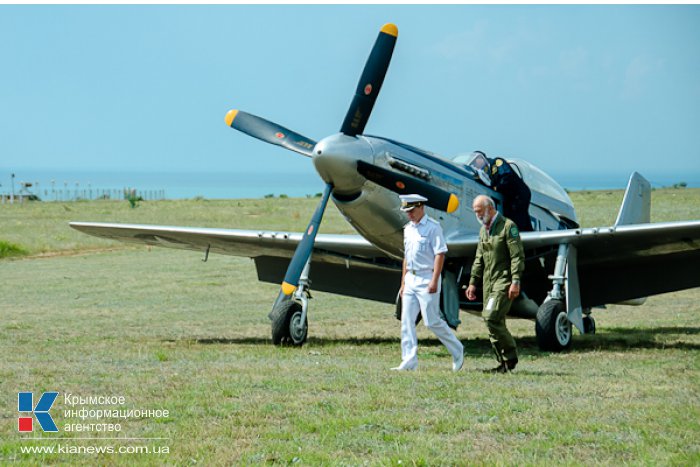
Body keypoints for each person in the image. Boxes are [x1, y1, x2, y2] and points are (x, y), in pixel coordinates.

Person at [392, 194, 464, 372]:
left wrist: (434, 280)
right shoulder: (408, 229)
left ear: (421, 207)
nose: (409, 214)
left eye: (411, 210)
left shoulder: (433, 227)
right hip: (411, 278)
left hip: (427, 277)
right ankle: (408, 360)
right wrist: (403, 283)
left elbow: (440, 254)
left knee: (431, 321)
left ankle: (457, 350)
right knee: (407, 321)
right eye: (406, 211)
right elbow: (406, 258)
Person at [465, 195, 525, 373]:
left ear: (490, 209)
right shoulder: (483, 231)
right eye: (475, 211)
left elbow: (517, 256)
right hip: (488, 283)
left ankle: (511, 356)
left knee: (491, 317)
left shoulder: (508, 227)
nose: (477, 215)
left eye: (479, 211)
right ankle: (503, 362)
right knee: (491, 320)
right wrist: (472, 283)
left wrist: (515, 281)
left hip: (504, 281)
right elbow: (479, 258)